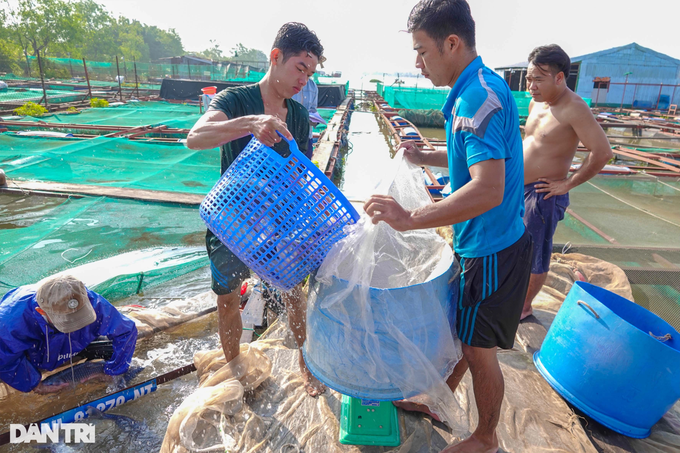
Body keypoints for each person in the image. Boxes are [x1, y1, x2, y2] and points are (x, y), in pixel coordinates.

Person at [363, 1, 532, 451]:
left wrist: (409, 218)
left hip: (492, 249)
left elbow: (487, 190)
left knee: (480, 351)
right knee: (463, 330)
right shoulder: (472, 89)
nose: (416, 63)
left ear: (451, 43)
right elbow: (470, 159)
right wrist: (427, 155)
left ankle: (487, 437)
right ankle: (441, 400)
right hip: (479, 241)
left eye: (422, 51)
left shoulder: (479, 97)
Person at [186, 22, 326, 397]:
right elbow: (195, 138)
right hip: (231, 218)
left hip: (279, 218)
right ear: (276, 57)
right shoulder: (236, 100)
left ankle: (305, 365)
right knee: (228, 298)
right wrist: (250, 124)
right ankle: (235, 371)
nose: (304, 80)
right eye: (300, 68)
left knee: (295, 292)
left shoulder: (296, 115)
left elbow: (302, 170)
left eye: (310, 73)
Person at [521, 45, 612, 320]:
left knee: (536, 255)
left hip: (543, 194)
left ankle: (524, 308)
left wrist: (568, 184)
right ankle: (513, 296)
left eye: (538, 79)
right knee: (516, 247)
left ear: (559, 78)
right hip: (519, 189)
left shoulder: (574, 108)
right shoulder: (536, 101)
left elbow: (603, 153)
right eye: (529, 78)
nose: (531, 86)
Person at [0, 275, 137, 393]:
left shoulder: (90, 300)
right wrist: (35, 384)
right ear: (41, 311)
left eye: (79, 317)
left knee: (113, 351)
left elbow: (126, 331)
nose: (74, 325)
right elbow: (4, 358)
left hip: (76, 342)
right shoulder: (9, 320)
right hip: (34, 351)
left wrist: (114, 371)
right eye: (68, 322)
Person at [292, 76, 320, 159]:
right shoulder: (286, 82)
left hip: (306, 137)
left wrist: (315, 119)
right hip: (287, 137)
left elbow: (313, 109)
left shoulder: (312, 85)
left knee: (303, 169)